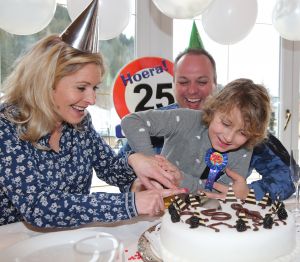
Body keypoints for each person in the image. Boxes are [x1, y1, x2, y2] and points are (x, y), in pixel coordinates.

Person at [0, 35, 186, 228]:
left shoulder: (80, 122)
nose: (92, 99)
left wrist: (135, 161)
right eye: (81, 88)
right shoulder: (6, 126)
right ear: (45, 83)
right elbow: (39, 207)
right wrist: (131, 204)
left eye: (94, 87)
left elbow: (110, 169)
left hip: (71, 237)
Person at [119, 48, 295, 201]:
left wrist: (250, 193)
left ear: (215, 86)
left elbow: (287, 179)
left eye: (202, 81)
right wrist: (136, 182)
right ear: (173, 84)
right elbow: (117, 169)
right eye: (183, 81)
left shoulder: (251, 130)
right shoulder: (165, 119)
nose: (192, 90)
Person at [121, 78, 273, 200]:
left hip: (205, 220)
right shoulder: (186, 119)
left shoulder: (244, 150)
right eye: (226, 123)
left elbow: (218, 192)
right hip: (159, 204)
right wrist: (151, 165)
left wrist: (182, 179)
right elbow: (132, 121)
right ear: (214, 109)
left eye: (243, 133)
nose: (228, 137)